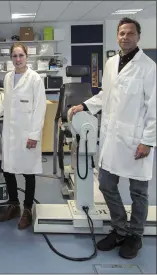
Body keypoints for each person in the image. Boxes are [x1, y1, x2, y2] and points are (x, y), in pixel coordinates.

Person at [70, 17, 156, 259]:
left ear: (138, 37)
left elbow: (154, 107)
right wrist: (84, 105)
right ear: (116, 36)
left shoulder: (148, 67)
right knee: (107, 183)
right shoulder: (110, 63)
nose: (125, 37)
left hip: (136, 139)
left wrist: (148, 141)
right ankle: (119, 229)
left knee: (139, 191)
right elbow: (106, 95)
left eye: (130, 33)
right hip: (112, 137)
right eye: (121, 33)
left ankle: (135, 235)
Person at [0, 43, 46, 230]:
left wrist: (34, 135)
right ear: (11, 58)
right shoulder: (9, 77)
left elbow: (40, 109)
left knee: (28, 171)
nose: (18, 59)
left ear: (27, 57)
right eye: (14, 56)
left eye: (21, 55)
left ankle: (27, 209)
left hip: (27, 132)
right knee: (9, 170)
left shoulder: (35, 79)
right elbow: (5, 101)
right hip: (11, 132)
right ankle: (14, 205)